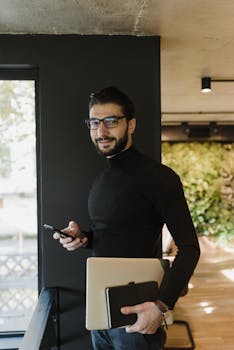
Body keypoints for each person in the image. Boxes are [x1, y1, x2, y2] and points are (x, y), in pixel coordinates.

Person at [53, 86, 200, 350]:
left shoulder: (159, 177)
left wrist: (161, 306)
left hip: (138, 319)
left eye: (111, 121)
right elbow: (116, 234)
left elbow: (190, 248)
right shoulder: (101, 180)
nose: (101, 131)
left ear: (130, 125)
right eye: (94, 122)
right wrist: (83, 238)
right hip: (100, 316)